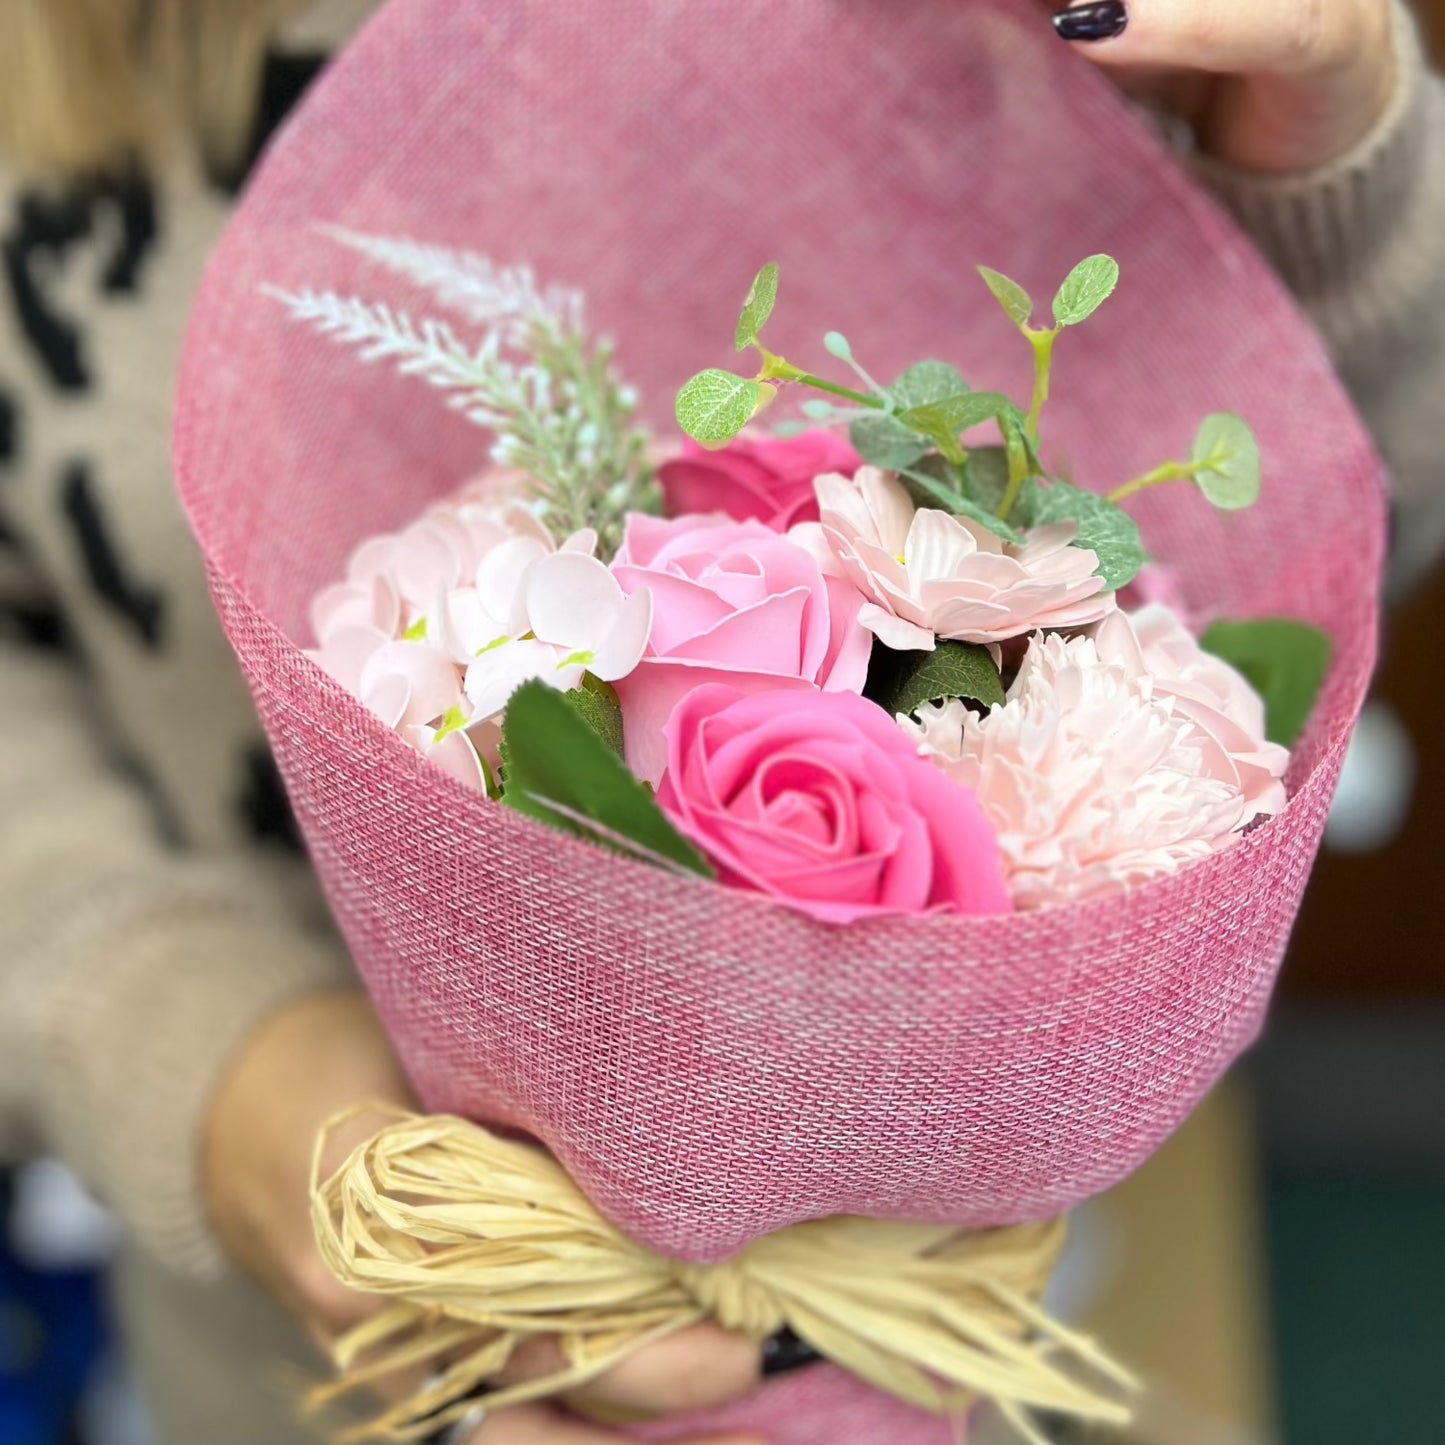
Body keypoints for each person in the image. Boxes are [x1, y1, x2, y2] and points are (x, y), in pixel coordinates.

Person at [0, 2, 1440, 1443]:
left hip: (946, 1332)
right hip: (288, 1355)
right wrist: (209, 1063)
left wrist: (1321, 176)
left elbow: (1270, 578)